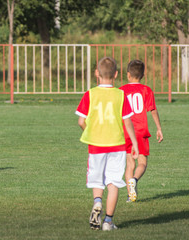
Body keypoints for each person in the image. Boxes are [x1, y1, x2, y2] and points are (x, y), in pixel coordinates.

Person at [75, 57, 139, 231]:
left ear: (97, 73)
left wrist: (91, 132)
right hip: (117, 145)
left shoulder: (90, 94)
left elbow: (81, 121)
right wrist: (134, 143)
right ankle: (108, 221)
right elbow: (127, 122)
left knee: (97, 181)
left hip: (96, 146)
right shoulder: (120, 95)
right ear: (116, 74)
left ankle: (97, 203)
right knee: (113, 183)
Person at [119, 60, 164, 202]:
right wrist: (159, 128)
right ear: (143, 75)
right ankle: (134, 180)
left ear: (128, 74)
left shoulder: (121, 90)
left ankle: (129, 195)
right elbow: (153, 110)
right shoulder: (146, 90)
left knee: (130, 164)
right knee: (142, 163)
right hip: (140, 131)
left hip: (126, 131)